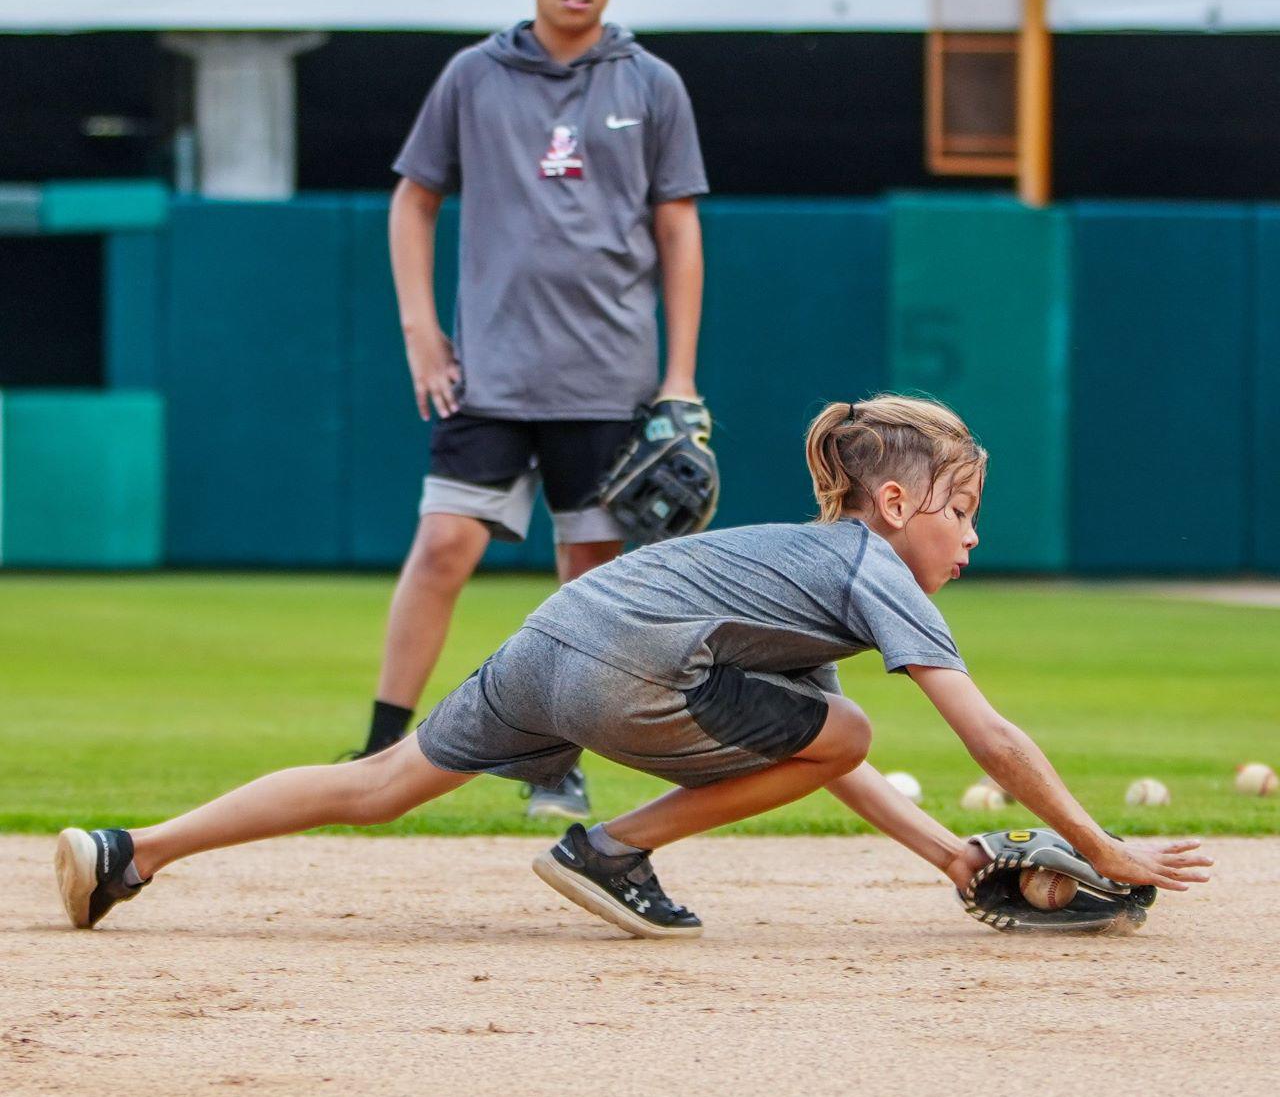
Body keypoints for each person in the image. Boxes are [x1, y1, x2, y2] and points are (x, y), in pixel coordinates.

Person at [56, 395, 1211, 937]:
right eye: (960, 511)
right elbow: (986, 739)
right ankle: (608, 850)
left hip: (555, 636)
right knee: (848, 730)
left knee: (381, 780)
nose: (968, 537)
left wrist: (957, 860)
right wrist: (1103, 844)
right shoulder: (872, 568)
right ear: (895, 500)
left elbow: (814, 753)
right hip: (631, 665)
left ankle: (128, 850)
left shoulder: (792, 573)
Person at [346, 0, 710, 821]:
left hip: (607, 378)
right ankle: (383, 744)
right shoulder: (474, 75)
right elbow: (413, 198)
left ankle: (554, 760)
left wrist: (678, 375)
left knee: (586, 581)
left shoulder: (651, 83)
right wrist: (421, 328)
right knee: (441, 550)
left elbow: (678, 231)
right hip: (493, 376)